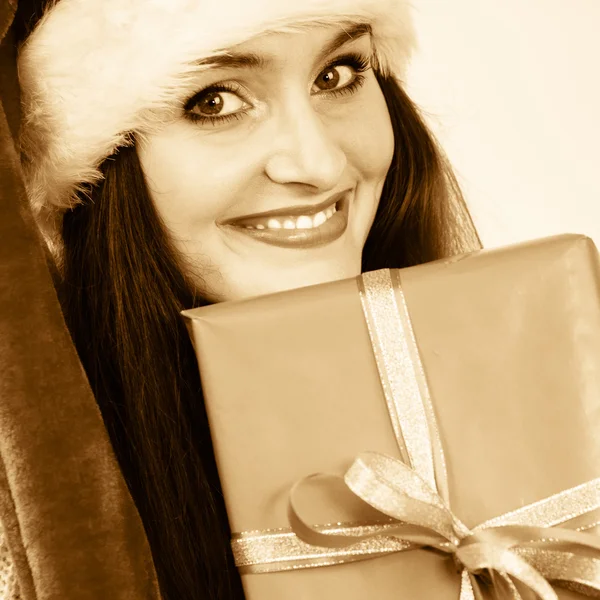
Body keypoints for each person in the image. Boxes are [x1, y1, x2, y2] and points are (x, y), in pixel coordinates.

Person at [3, 0, 481, 598]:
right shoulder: (42, 548)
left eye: (336, 75)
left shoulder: (532, 390)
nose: (319, 162)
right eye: (215, 101)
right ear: (96, 171)